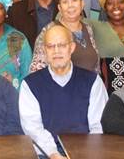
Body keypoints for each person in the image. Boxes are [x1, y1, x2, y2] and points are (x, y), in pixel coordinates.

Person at [20, 25, 107, 159]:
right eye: (50, 46)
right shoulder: (30, 85)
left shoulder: (92, 81)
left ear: (71, 48)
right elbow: (33, 128)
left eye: (61, 45)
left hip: (87, 153)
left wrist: (84, 154)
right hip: (46, 154)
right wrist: (54, 154)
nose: (56, 51)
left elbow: (98, 125)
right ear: (44, 50)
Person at [29, 0, 100, 74]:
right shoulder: (49, 31)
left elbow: (96, 67)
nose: (70, 6)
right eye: (65, 2)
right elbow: (36, 70)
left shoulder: (88, 28)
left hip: (90, 85)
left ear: (82, 4)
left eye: (74, 0)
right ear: (60, 8)